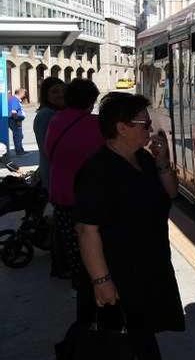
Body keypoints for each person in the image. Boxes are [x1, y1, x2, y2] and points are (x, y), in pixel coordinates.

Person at [73, 93, 184, 359]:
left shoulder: (143, 159)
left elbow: (170, 194)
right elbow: (87, 231)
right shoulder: (96, 171)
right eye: (144, 124)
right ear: (122, 128)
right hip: (119, 273)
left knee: (143, 335)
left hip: (148, 268)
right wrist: (102, 281)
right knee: (121, 344)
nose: (151, 129)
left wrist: (162, 161)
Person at [44, 79, 103, 288]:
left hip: (61, 194)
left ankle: (81, 295)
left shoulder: (55, 120)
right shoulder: (96, 124)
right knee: (93, 252)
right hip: (87, 199)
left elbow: (50, 152)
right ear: (90, 101)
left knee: (74, 251)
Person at [33, 77, 67, 277]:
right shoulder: (46, 115)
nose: (60, 95)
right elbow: (50, 149)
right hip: (54, 173)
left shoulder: (56, 113)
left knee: (60, 219)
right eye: (55, 92)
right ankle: (60, 263)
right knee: (61, 222)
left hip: (56, 172)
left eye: (62, 91)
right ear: (45, 95)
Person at [7, 88, 27, 155]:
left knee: (19, 135)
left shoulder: (14, 99)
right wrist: (17, 120)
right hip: (14, 120)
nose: (24, 95)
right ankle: (19, 151)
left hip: (14, 120)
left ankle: (20, 150)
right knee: (18, 136)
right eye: (24, 93)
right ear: (20, 93)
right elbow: (14, 112)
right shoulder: (14, 100)